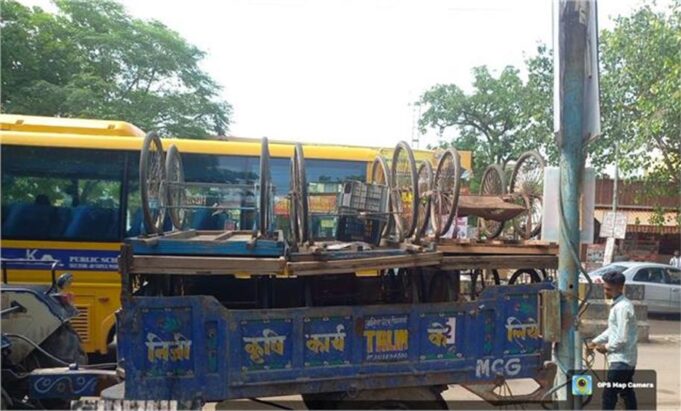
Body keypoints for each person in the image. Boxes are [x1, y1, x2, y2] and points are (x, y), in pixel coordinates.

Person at [586, 271, 638, 410]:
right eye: (605, 288)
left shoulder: (622, 308)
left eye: (608, 289)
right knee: (627, 394)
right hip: (626, 361)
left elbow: (621, 338)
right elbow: (613, 330)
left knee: (609, 396)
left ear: (620, 287)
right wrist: (595, 341)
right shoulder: (619, 305)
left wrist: (606, 347)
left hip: (621, 361)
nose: (605, 292)